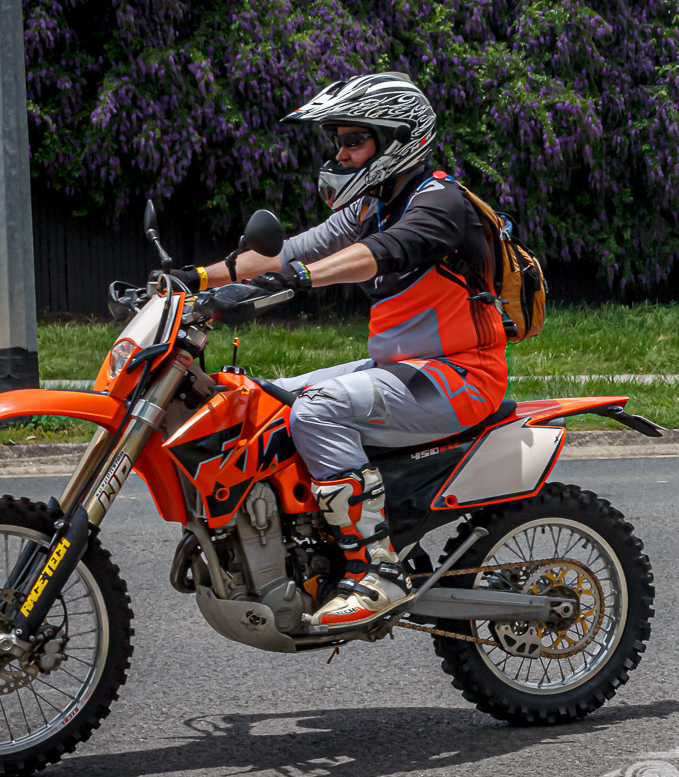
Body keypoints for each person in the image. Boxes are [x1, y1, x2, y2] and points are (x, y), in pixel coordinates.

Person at [188, 73, 510, 631]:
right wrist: (190, 280)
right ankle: (311, 544)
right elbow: (288, 252)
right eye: (338, 142)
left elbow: (382, 252)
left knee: (318, 411)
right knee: (269, 401)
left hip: (460, 377)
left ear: (397, 140)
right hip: (405, 371)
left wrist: (297, 280)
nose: (340, 155)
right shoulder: (372, 206)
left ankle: (378, 571)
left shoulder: (440, 202)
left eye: (353, 141)